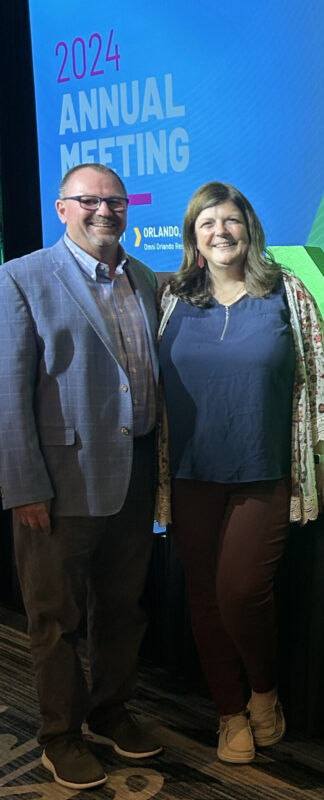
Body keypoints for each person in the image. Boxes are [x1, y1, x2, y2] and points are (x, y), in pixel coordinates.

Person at [156, 181, 324, 764]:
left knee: (241, 591)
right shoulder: (170, 298)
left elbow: (316, 376)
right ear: (193, 237)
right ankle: (228, 712)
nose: (221, 231)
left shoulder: (287, 293)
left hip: (264, 469)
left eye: (231, 220)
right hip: (190, 474)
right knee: (203, 596)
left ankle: (264, 692)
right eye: (207, 222)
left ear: (250, 228)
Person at [0, 163, 163, 789]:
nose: (105, 211)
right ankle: (59, 735)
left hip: (134, 476)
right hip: (58, 488)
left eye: (115, 201)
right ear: (61, 208)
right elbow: (8, 395)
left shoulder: (144, 277)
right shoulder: (21, 279)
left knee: (122, 611)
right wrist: (24, 488)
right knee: (55, 619)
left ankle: (111, 712)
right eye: (89, 200)